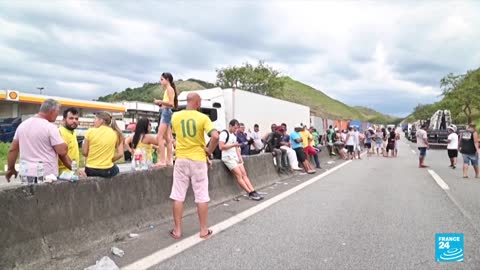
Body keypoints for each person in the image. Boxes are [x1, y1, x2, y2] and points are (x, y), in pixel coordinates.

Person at [169, 92, 219, 240]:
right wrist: (209, 151)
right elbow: (215, 136)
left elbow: (172, 136)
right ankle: (203, 230)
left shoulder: (175, 116)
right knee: (201, 195)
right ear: (197, 103)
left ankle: (177, 231)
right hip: (198, 160)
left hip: (181, 159)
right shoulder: (203, 118)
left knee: (178, 195)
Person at [6, 99, 71, 183]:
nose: (58, 114)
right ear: (52, 111)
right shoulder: (50, 127)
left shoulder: (22, 125)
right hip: (46, 175)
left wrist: (10, 168)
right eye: (57, 112)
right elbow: (62, 151)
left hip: (26, 174)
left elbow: (13, 149)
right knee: (45, 196)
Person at [220, 119, 263, 201]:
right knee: (239, 175)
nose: (236, 130)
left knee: (244, 174)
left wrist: (239, 157)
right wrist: (233, 145)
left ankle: (253, 191)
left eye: (237, 128)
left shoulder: (233, 134)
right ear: (230, 126)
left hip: (235, 156)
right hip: (228, 157)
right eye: (235, 128)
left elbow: (236, 147)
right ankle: (249, 193)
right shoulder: (224, 133)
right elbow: (221, 147)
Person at [82, 111, 124, 177]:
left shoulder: (90, 131)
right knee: (116, 169)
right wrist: (110, 160)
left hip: (90, 170)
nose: (94, 122)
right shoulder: (117, 133)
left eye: (95, 119)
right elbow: (120, 154)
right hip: (107, 170)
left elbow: (84, 152)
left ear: (101, 120)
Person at [154, 72, 178, 167]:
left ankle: (163, 160)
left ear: (167, 79)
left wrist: (160, 101)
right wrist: (161, 103)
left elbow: (171, 103)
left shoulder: (169, 89)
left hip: (166, 112)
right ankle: (169, 160)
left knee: (159, 137)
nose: (160, 81)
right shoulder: (169, 89)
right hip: (166, 112)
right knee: (168, 138)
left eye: (162, 79)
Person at [58, 107, 85, 176]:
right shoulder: (60, 132)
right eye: (71, 118)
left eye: (76, 119)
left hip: (73, 171)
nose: (74, 121)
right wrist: (76, 169)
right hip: (64, 174)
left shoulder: (73, 132)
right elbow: (62, 155)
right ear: (64, 120)